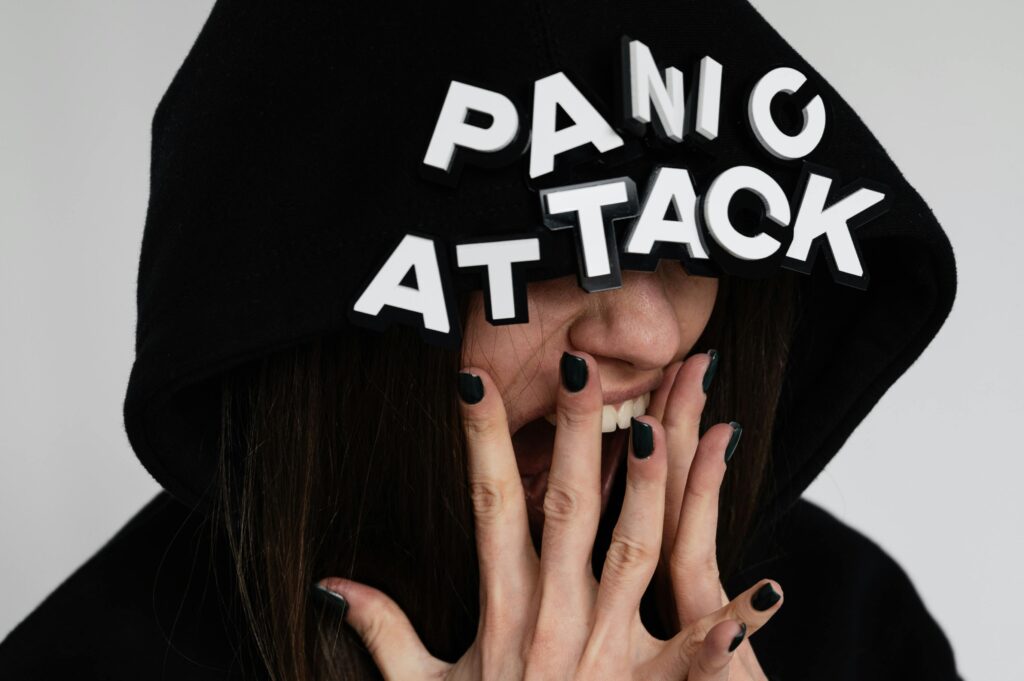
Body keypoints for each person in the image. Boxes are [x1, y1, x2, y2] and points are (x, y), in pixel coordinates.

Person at [0, 1, 963, 679]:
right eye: (546, 257)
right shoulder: (93, 656)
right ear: (332, 326)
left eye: (685, 239)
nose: (652, 332)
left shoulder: (851, 623)